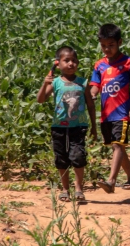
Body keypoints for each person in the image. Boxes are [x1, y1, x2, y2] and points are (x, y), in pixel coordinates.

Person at [36, 45, 97, 202]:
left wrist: (94, 127)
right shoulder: (55, 82)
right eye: (66, 60)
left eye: (74, 61)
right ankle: (65, 189)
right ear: (58, 63)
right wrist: (44, 84)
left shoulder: (83, 82)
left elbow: (91, 105)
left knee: (78, 157)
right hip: (59, 127)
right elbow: (40, 100)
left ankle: (78, 189)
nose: (71, 64)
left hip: (79, 126)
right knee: (61, 158)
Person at [90, 23, 130, 193]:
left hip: (122, 112)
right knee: (117, 146)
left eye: (111, 45)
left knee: (118, 145)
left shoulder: (129, 63)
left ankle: (111, 181)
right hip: (106, 113)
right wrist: (92, 94)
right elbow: (95, 86)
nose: (107, 49)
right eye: (104, 46)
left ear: (120, 42)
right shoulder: (99, 65)